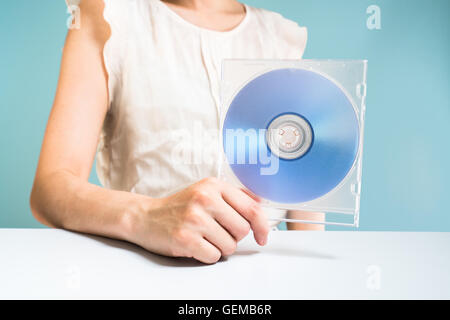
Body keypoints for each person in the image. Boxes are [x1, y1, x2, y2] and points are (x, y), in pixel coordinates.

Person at [30, 0, 324, 265]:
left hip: (262, 281)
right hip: (142, 274)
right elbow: (50, 190)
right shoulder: (108, 15)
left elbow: (303, 195)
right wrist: (146, 216)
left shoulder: (279, 37)